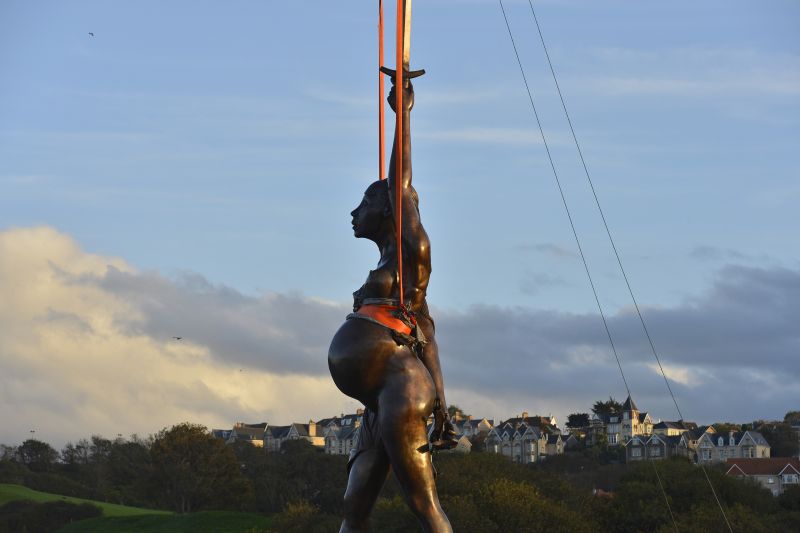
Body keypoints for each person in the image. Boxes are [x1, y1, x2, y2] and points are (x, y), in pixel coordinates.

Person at [328, 73, 456, 533]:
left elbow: (399, 182)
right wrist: (444, 402)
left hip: (399, 389)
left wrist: (402, 116)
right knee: (354, 505)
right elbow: (430, 340)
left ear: (388, 210)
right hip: (381, 398)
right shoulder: (395, 279)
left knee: (423, 503)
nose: (353, 212)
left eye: (364, 201)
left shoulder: (410, 253)